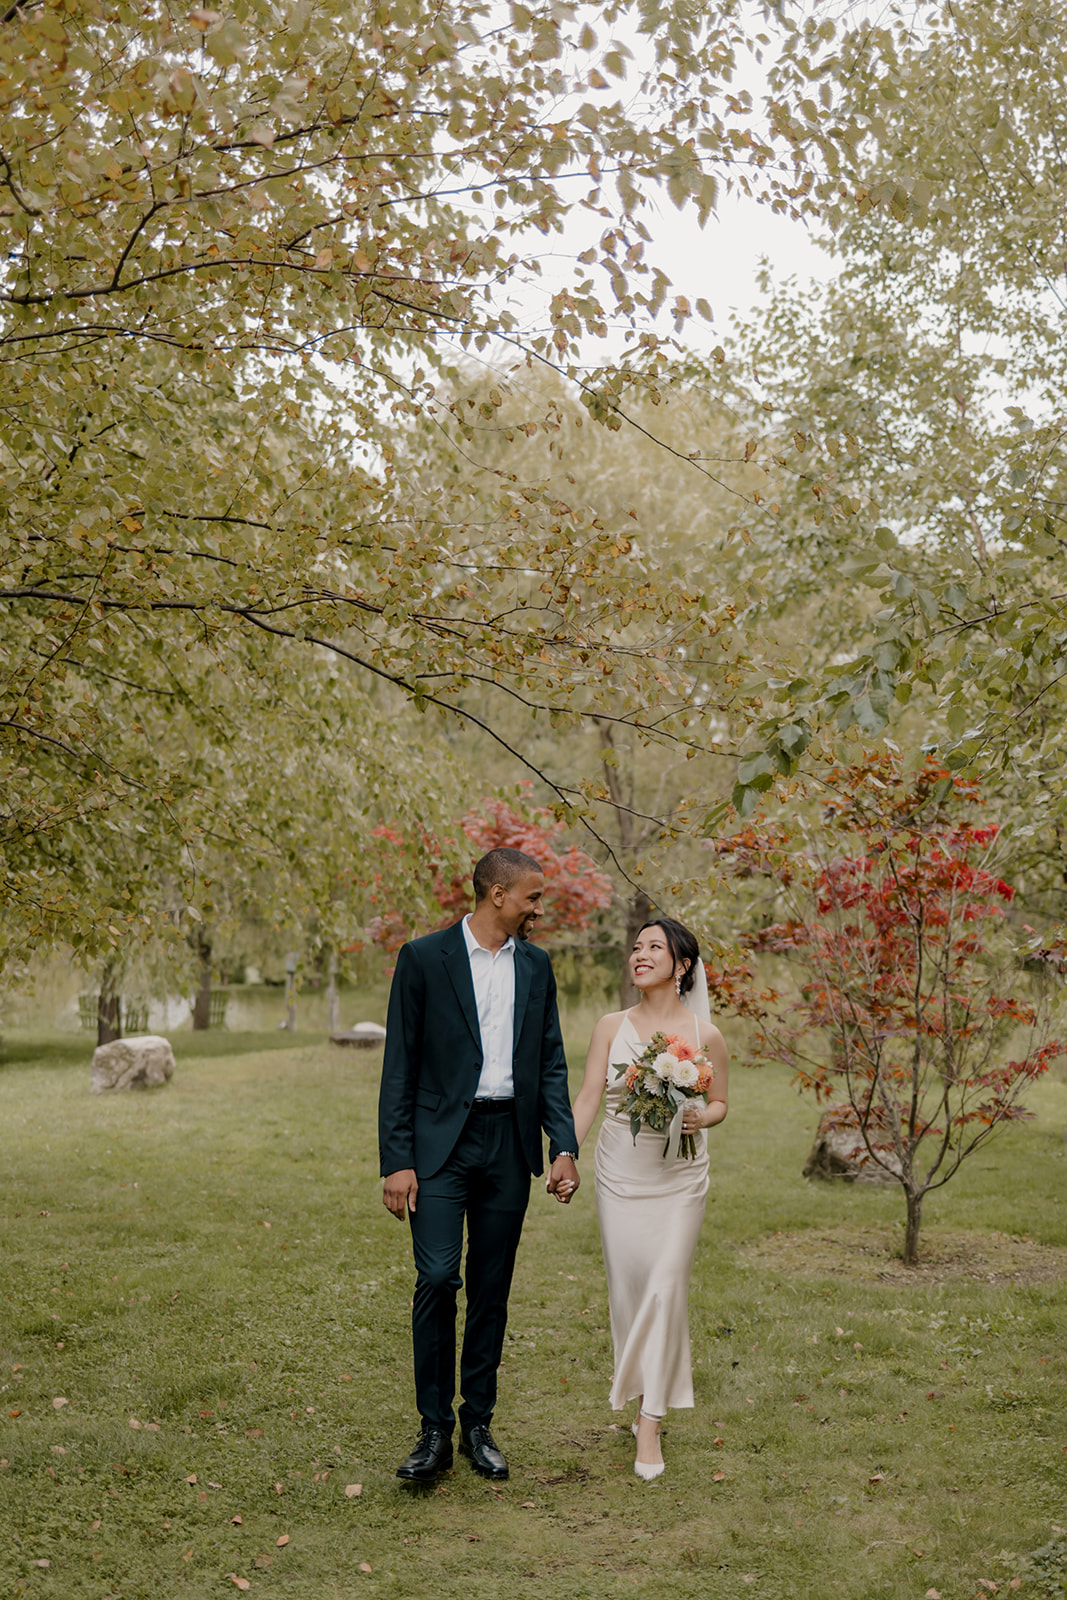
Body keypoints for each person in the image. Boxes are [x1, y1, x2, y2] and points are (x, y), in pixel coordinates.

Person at [378, 847, 580, 1484]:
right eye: (532, 898)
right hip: (440, 1145)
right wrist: (397, 1159)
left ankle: (478, 1423)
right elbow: (399, 1068)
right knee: (438, 1278)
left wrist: (562, 1145)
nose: (539, 908)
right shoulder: (421, 959)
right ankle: (433, 1429)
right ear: (497, 895)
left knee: (492, 1287)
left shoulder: (538, 967)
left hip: (507, 1142)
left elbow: (550, 1060)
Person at [565, 917, 729, 1480]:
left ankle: (652, 1423)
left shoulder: (706, 1037)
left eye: (654, 947)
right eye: (636, 946)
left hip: (680, 1182)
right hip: (620, 1174)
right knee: (632, 1293)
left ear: (682, 966)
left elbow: (721, 1104)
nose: (640, 954)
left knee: (665, 1288)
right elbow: (589, 1096)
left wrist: (698, 1115)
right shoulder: (612, 1026)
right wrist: (566, 1153)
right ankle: (643, 1399)